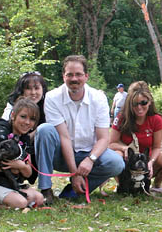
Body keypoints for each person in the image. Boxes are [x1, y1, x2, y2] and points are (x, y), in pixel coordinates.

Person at [35, 55, 124, 204]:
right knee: (44, 130)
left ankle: (74, 191)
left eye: (78, 74)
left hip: (89, 153)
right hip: (61, 154)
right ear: (63, 76)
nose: (74, 78)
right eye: (69, 74)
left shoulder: (99, 98)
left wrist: (90, 159)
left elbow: (103, 138)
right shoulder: (52, 97)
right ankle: (46, 190)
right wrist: (74, 172)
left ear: (86, 76)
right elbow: (63, 137)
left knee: (116, 163)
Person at [110, 81, 162, 193]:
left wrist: (151, 161)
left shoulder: (156, 119)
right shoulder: (121, 117)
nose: (139, 107)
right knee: (116, 157)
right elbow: (111, 143)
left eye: (143, 103)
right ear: (129, 104)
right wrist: (124, 148)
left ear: (150, 102)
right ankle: (123, 184)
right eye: (135, 104)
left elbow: (156, 147)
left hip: (146, 159)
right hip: (128, 160)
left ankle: (156, 184)